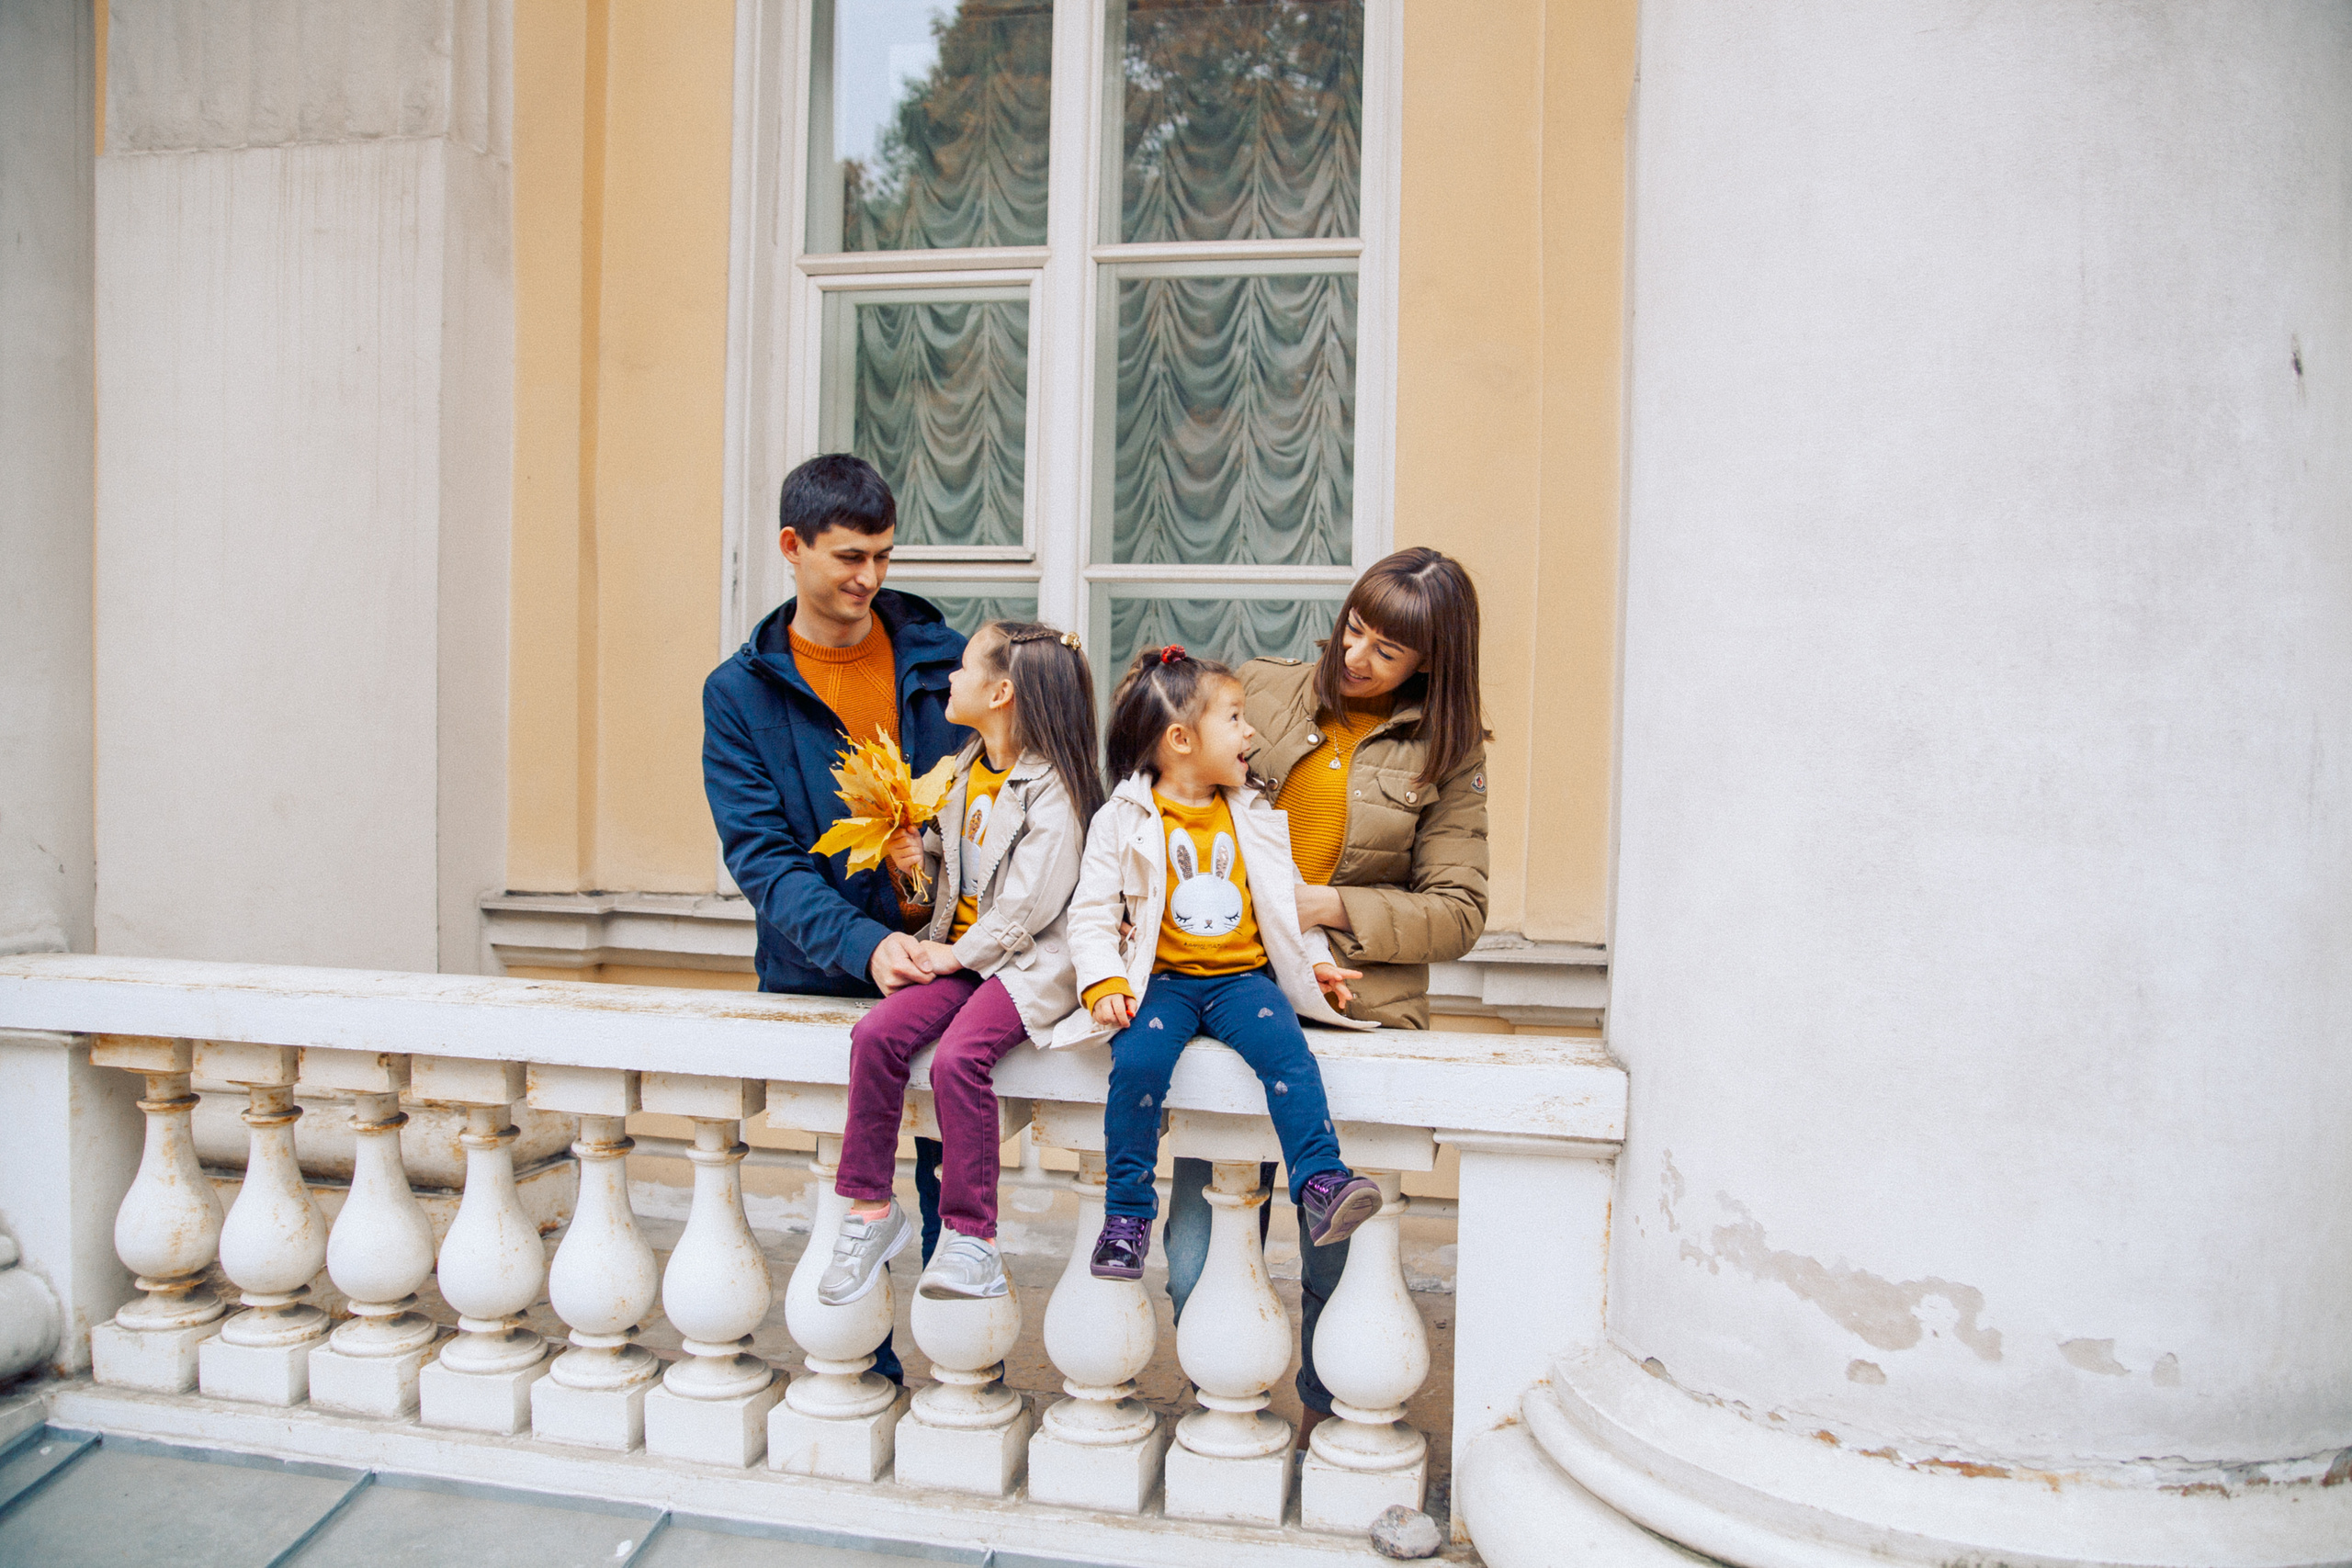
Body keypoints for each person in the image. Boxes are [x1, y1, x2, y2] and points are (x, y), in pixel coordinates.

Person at [1163, 547, 1489, 1439]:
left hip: (1348, 1019)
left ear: (1432, 661)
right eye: (1355, 627)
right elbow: (1177, 788)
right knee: (1195, 1239)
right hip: (1222, 1000)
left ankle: (1319, 1418)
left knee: (1332, 1250)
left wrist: (1327, 905)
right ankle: (1216, 1408)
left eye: (1387, 650)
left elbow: (1458, 913)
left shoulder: (1449, 753)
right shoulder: (1262, 691)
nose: (1356, 656)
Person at [700, 452, 967, 1379]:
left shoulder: (946, 659)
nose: (868, 579)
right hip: (820, 974)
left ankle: (965, 1371)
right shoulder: (738, 694)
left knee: (955, 1188)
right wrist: (865, 945)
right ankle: (866, 1372)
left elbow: (1003, 806)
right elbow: (761, 858)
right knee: (852, 1198)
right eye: (850, 557)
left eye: (884, 557)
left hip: (953, 967)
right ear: (791, 546)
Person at [1054, 646, 1385, 1280]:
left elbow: (1285, 908)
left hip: (1241, 981)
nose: (1250, 731)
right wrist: (1101, 979)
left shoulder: (1253, 814)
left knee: (1288, 1056)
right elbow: (1091, 912)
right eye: (1234, 717)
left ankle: (1320, 1180)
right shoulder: (1121, 818)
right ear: (1180, 739)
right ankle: (1126, 1217)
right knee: (1137, 1066)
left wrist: (1312, 963)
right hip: (1163, 983)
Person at [816, 622, 1102, 1306]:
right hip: (966, 954)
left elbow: (1025, 911)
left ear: (1001, 691)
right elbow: (944, 887)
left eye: (965, 666)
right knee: (877, 1035)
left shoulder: (1053, 792)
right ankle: (870, 1212)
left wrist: (952, 953)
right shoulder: (964, 770)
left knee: (958, 1058)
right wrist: (914, 872)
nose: (950, 676)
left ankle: (973, 1238)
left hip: (1027, 963)